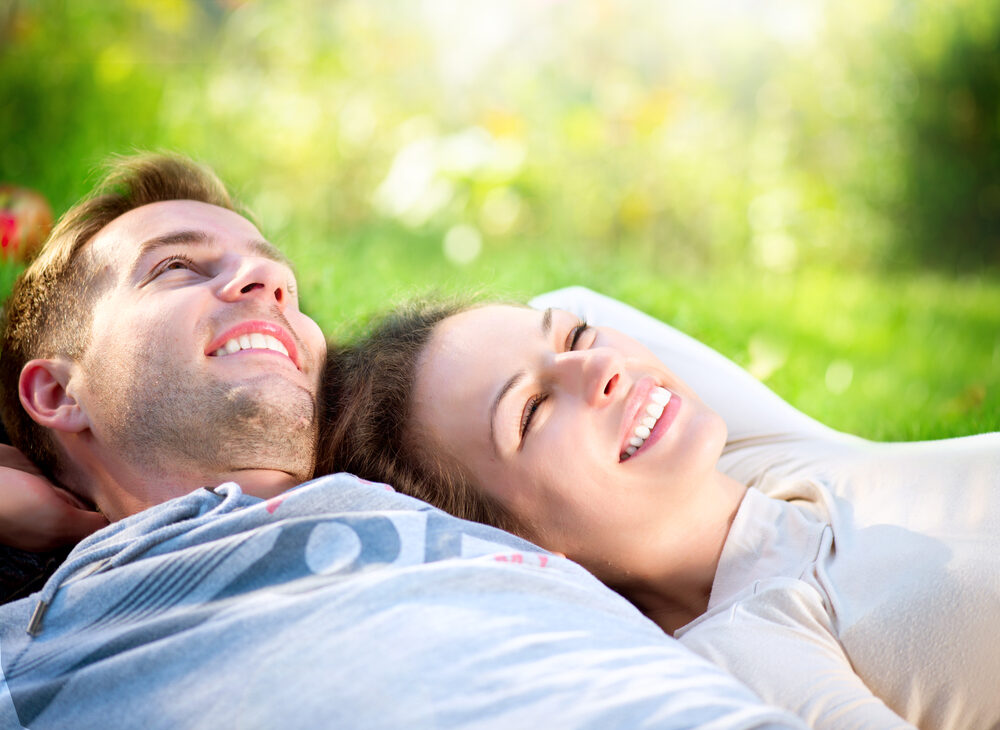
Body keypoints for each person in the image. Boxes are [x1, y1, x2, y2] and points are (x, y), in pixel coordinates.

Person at [0, 153, 804, 729]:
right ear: (56, 392)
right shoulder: (52, 629)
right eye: (175, 268)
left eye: (277, 273)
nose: (269, 285)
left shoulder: (451, 483)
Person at [321, 292, 1000, 730]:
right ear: (510, 544)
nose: (602, 370)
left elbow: (569, 298)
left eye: (579, 340)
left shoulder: (769, 460)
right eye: (532, 410)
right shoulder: (749, 653)